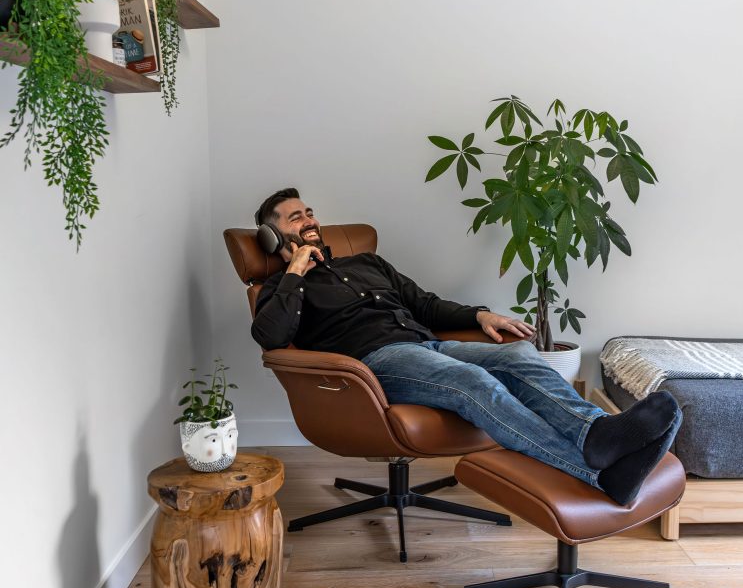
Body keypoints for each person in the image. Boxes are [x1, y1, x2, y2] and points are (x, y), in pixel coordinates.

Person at [251, 188, 682, 506]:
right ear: (272, 234)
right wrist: (294, 270)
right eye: (293, 218)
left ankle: (596, 433)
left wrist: (480, 316)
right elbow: (271, 337)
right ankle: (590, 470)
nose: (308, 220)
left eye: (309, 212)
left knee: (518, 357)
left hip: (429, 346)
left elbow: (424, 304)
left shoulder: (366, 263)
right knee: (472, 382)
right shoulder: (281, 286)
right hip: (377, 365)